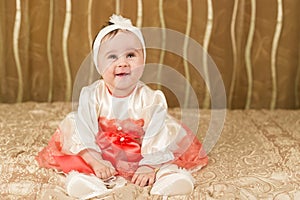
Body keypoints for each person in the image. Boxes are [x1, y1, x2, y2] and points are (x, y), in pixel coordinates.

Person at [36, 14, 208, 198]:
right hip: (99, 148)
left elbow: (156, 134)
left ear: (143, 60)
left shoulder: (151, 98)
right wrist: (96, 160)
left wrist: (148, 164)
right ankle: (86, 181)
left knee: (167, 151)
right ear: (98, 64)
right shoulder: (92, 95)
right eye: (112, 57)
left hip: (142, 148)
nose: (123, 63)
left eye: (131, 55)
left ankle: (170, 178)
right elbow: (84, 129)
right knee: (75, 129)